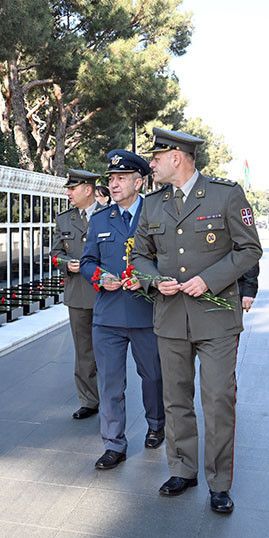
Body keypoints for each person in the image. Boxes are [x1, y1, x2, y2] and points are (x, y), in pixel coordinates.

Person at [131, 127, 262, 514]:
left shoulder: (225, 194)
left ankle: (219, 483)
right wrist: (155, 281)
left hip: (217, 317)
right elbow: (138, 256)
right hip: (170, 317)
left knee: (219, 399)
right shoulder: (153, 204)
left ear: (177, 158)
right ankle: (182, 469)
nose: (151, 164)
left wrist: (210, 279)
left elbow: (249, 248)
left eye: (157, 157)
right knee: (176, 399)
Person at [80, 150, 166, 469]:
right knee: (110, 383)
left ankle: (156, 423)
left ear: (138, 182)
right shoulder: (101, 219)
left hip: (148, 314)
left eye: (120, 179)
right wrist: (98, 276)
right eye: (111, 179)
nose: (113, 185)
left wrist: (146, 279)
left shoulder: (156, 215)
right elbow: (88, 261)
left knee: (154, 377)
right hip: (109, 316)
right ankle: (114, 443)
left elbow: (168, 260)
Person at [50, 168, 103, 420]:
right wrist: (65, 263)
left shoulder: (110, 215)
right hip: (79, 294)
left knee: (109, 350)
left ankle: (113, 398)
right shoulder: (64, 219)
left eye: (73, 188)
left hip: (108, 293)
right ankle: (89, 400)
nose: (68, 193)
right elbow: (54, 253)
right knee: (84, 351)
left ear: (88, 189)